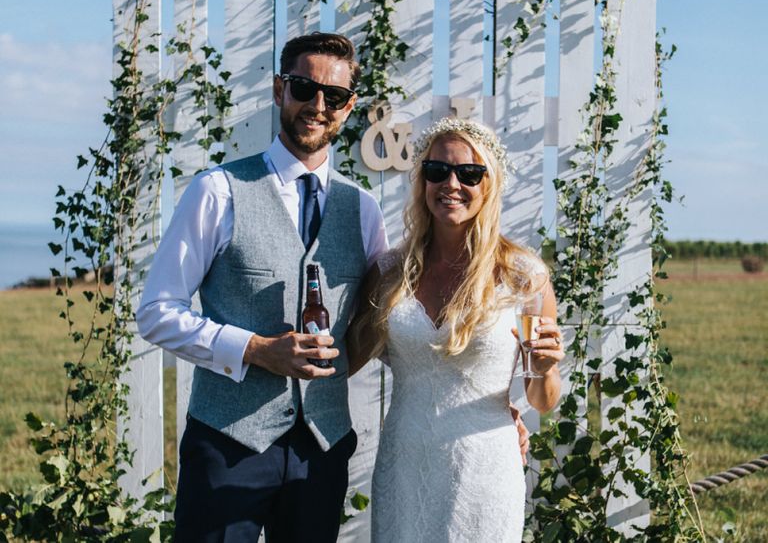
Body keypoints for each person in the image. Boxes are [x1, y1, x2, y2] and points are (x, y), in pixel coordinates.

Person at [137, 33, 388, 542]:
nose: (317, 106)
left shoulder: (362, 208)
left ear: (349, 107)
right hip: (227, 445)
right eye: (303, 88)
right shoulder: (218, 190)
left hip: (321, 448)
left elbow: (380, 321)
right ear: (279, 90)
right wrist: (254, 350)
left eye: (334, 96)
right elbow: (157, 311)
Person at [348, 117, 564, 543]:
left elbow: (542, 398)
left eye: (469, 173)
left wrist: (544, 366)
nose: (451, 183)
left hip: (484, 466)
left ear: (489, 184)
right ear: (422, 180)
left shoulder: (524, 276)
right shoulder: (389, 273)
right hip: (404, 465)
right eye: (437, 170)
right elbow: (345, 359)